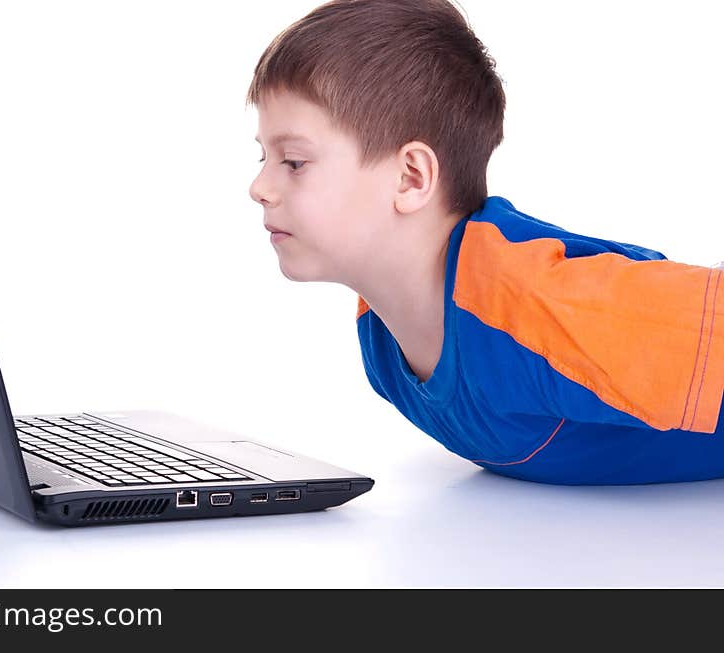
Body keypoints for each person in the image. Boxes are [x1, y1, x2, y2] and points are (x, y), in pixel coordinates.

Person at [246, 0, 724, 485]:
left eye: (293, 162)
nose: (258, 186)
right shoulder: (384, 341)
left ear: (411, 178)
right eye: (263, 157)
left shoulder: (527, 304)